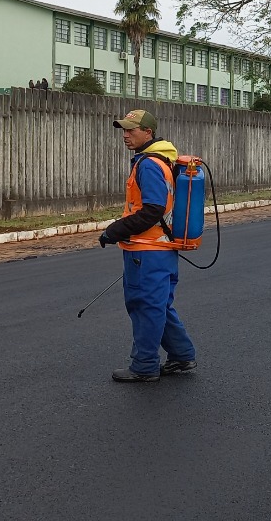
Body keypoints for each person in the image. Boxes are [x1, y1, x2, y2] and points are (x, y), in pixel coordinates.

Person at [97, 109, 197, 383]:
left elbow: (152, 209)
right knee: (159, 305)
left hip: (147, 250)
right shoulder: (162, 160)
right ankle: (182, 354)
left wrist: (114, 231)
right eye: (124, 130)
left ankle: (144, 366)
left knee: (145, 307)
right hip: (161, 249)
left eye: (131, 130)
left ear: (148, 132)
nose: (125, 135)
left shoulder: (149, 164)